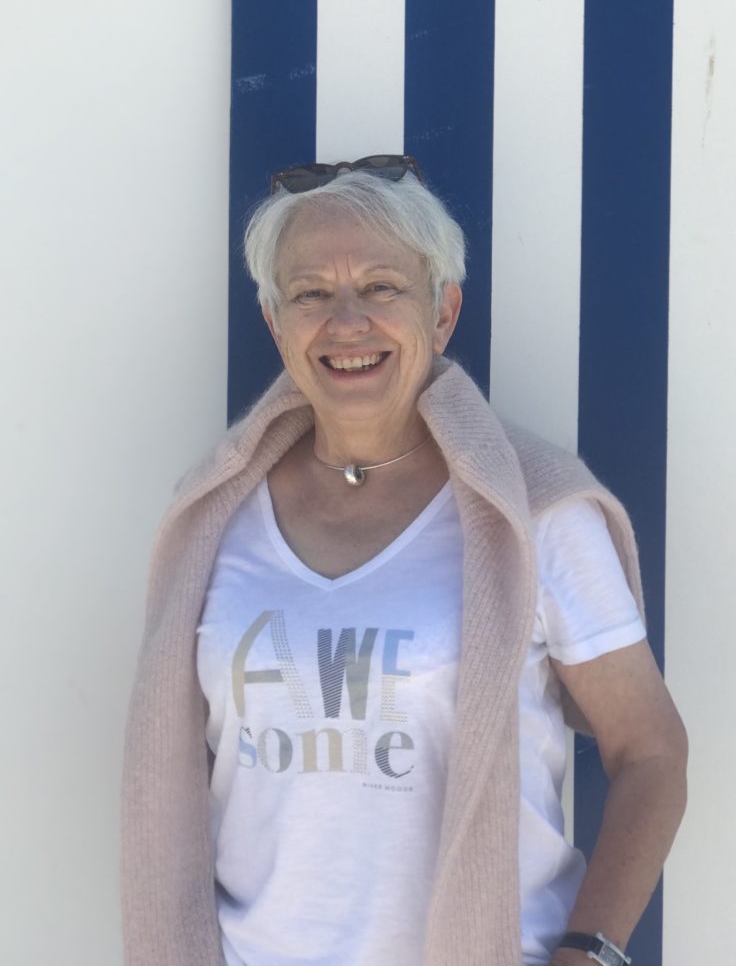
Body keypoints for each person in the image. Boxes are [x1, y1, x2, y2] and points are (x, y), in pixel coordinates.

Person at [122, 156, 687, 966]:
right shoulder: (210, 517)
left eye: (381, 287)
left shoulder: (533, 513)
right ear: (275, 322)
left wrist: (587, 954)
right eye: (310, 294)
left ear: (442, 312)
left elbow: (650, 751)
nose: (346, 321)